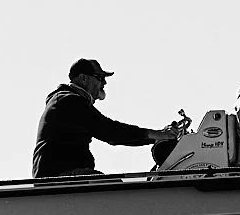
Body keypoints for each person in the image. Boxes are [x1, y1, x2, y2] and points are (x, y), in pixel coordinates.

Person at [32, 58, 182, 178]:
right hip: (60, 177)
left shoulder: (68, 101)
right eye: (100, 78)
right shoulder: (69, 101)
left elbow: (111, 133)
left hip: (58, 176)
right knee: (114, 191)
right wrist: (155, 134)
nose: (104, 83)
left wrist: (157, 137)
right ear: (83, 79)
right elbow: (110, 131)